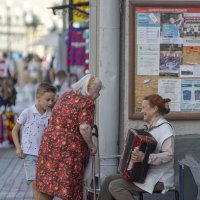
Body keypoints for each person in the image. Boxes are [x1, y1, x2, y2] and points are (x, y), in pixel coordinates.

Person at [36, 74, 103, 200]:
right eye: (97, 91)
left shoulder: (67, 94)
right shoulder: (87, 102)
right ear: (90, 89)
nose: (98, 95)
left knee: (47, 185)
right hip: (68, 147)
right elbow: (84, 128)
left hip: (50, 143)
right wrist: (91, 145)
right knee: (70, 188)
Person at [99, 94, 175, 200]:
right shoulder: (152, 128)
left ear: (155, 109)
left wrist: (145, 157)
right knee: (109, 179)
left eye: (144, 108)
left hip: (159, 178)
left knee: (115, 186)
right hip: (146, 174)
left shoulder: (165, 129)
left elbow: (169, 155)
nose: (141, 111)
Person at [11, 82, 57, 200]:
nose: (50, 103)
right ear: (38, 97)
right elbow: (14, 131)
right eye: (48, 100)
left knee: (42, 187)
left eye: (52, 100)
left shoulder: (51, 115)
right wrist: (18, 148)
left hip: (46, 155)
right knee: (36, 185)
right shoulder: (27, 112)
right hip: (30, 155)